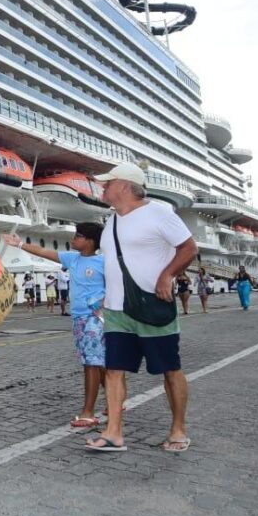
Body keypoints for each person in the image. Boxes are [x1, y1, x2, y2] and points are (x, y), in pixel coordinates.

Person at [84, 162, 197, 454]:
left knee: (169, 369)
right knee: (114, 370)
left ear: (124, 185)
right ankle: (114, 433)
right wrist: (104, 300)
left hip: (151, 304)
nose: (103, 188)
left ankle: (178, 428)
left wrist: (167, 275)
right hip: (116, 310)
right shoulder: (112, 222)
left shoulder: (158, 212)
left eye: (107, 183)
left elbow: (188, 248)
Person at [4, 222, 111, 430]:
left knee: (91, 363)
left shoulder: (104, 262)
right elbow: (44, 251)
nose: (73, 239)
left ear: (90, 241)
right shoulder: (73, 259)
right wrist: (20, 245)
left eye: (78, 236)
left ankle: (88, 413)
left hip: (94, 319)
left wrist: (102, 305)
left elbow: (117, 287)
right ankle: (115, 400)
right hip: (79, 318)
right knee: (96, 362)